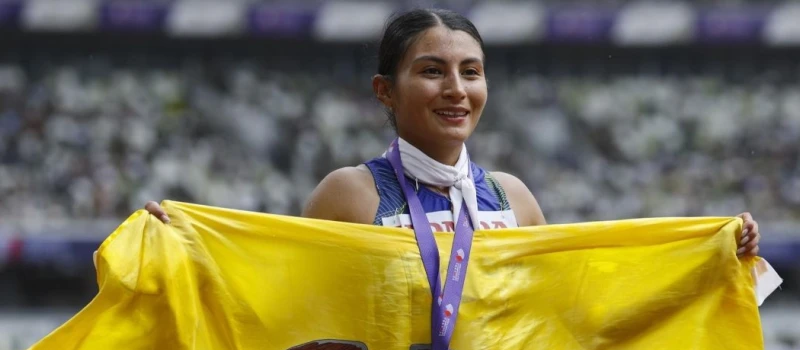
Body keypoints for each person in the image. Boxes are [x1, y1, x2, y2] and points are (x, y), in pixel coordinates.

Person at [140, 8, 761, 254]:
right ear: (385, 90)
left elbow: (573, 310)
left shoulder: (514, 200)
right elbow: (276, 301)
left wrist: (705, 256)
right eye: (431, 71)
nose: (456, 90)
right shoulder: (350, 195)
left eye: (471, 72)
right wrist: (190, 249)